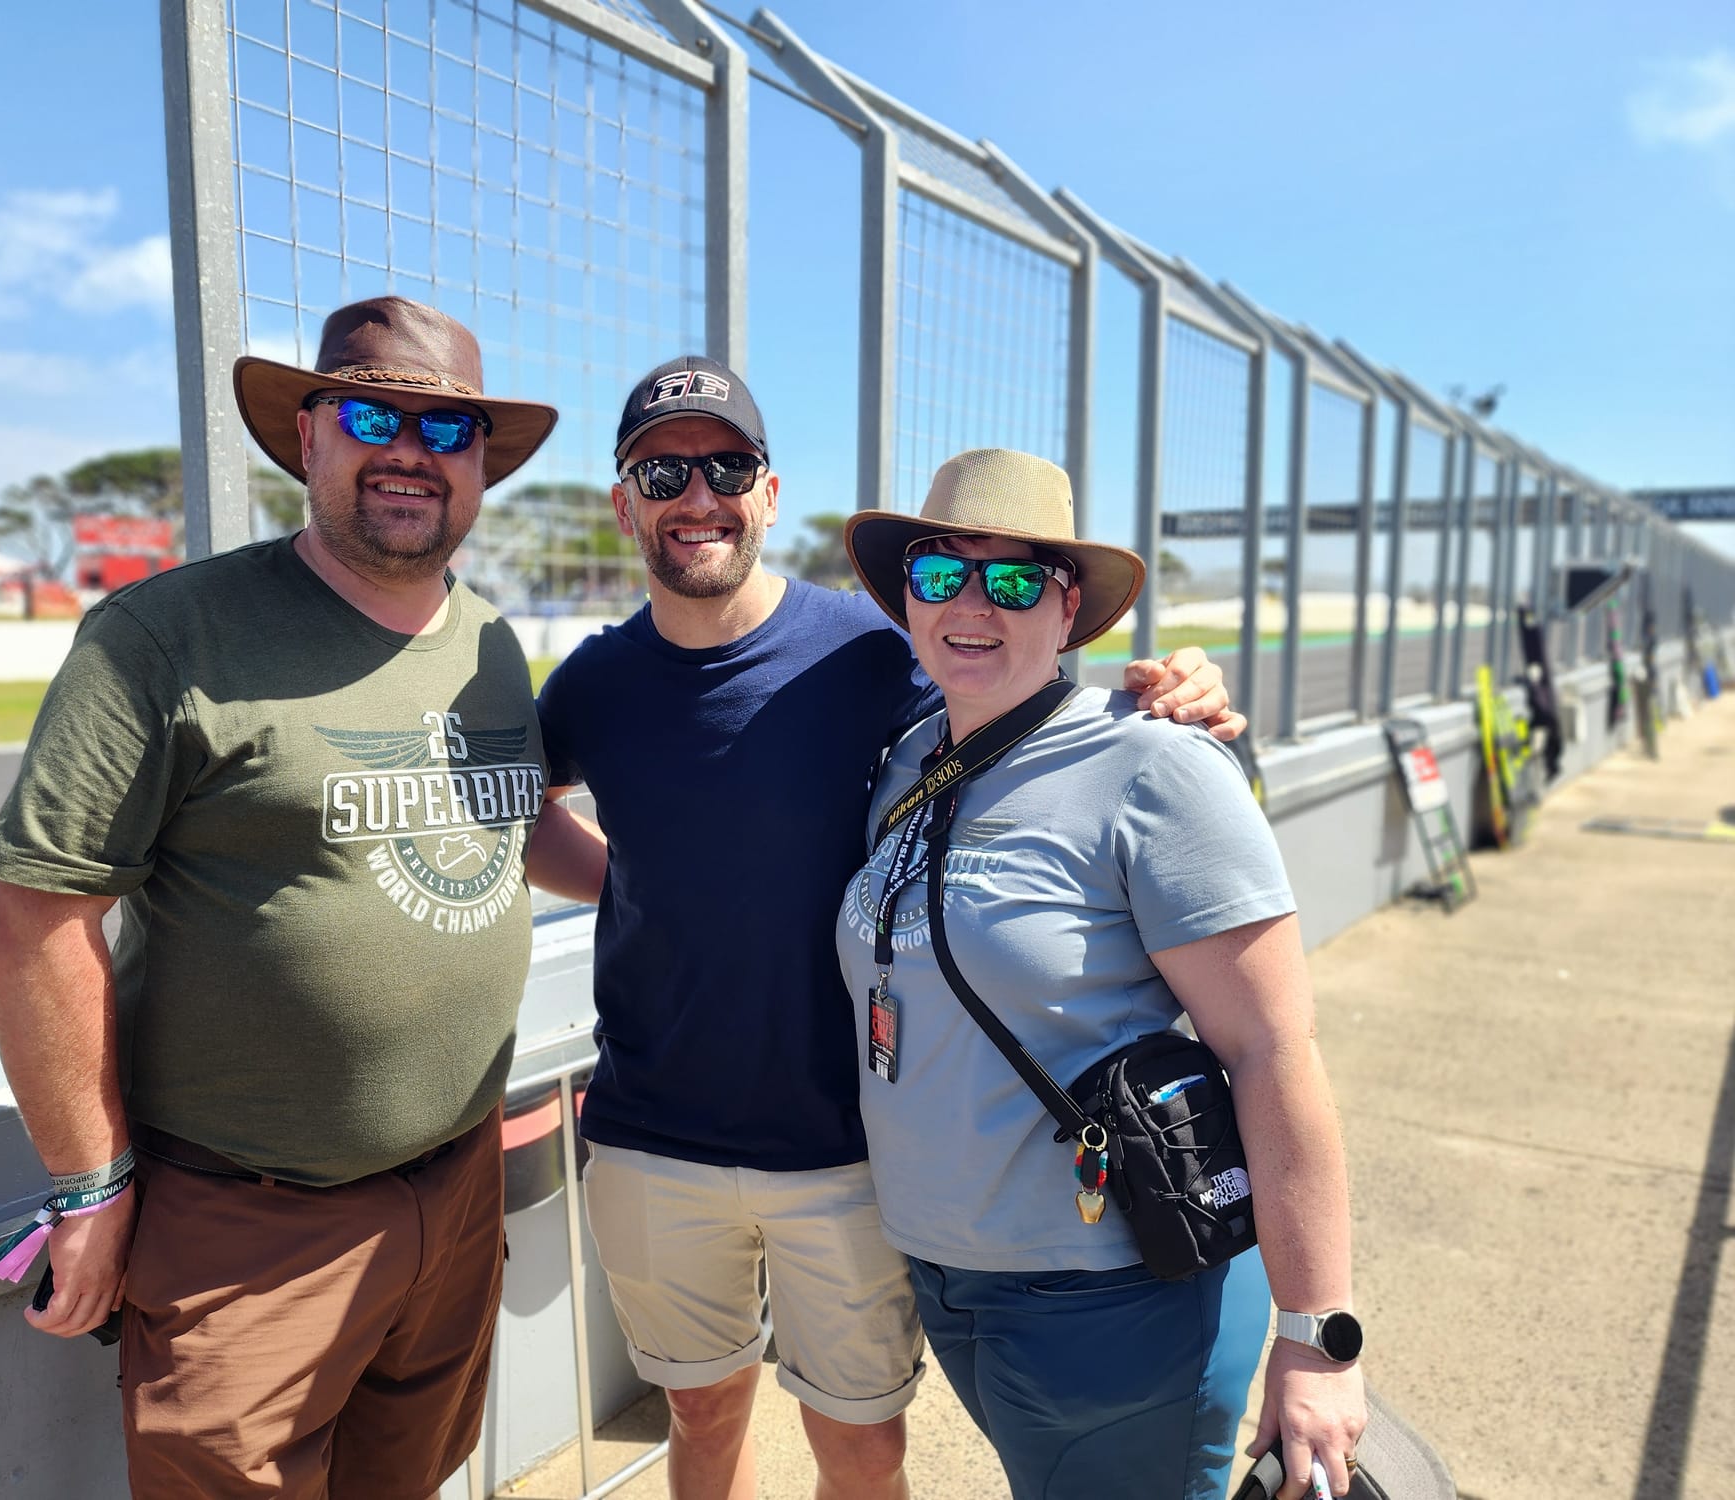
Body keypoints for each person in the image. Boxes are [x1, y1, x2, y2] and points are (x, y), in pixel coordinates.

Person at [531, 359, 1245, 1500]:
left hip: (850, 1146)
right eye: (663, 473)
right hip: (651, 1132)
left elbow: (1012, 694)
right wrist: (643, 883)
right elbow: (525, 815)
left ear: (769, 494)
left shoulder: (868, 651)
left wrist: (1166, 690)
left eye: (728, 468)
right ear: (625, 503)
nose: (698, 495)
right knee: (700, 1414)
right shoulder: (593, 682)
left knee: (861, 1447)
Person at [0, 295, 585, 1498]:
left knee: (412, 1478)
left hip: (456, 1187)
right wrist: (90, 1183)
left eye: (446, 430)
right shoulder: (166, 636)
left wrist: (678, 892)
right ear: (307, 437)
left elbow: (512, 827)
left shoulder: (489, 644)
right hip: (249, 1224)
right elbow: (35, 916)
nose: (409, 451)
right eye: (369, 417)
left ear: (480, 466)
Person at [834, 448, 1366, 1500]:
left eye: (1014, 578)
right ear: (908, 596)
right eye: (940, 573)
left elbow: (1272, 1048)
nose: (971, 604)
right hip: (951, 1279)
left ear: (1068, 605)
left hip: (1114, 1300)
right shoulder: (904, 760)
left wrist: (1317, 1338)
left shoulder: (1155, 764)